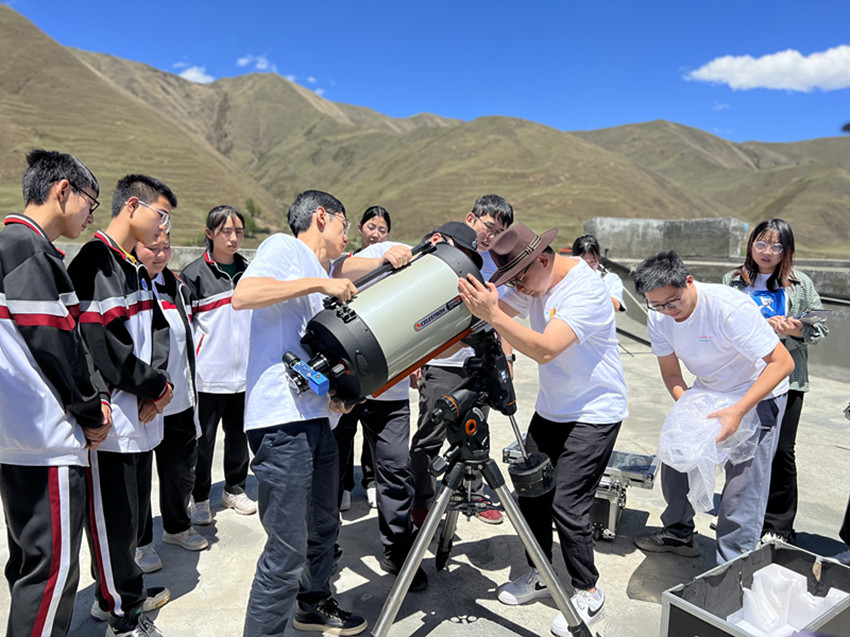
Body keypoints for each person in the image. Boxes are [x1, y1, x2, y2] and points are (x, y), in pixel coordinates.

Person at [457, 223, 627, 632]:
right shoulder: (534, 280)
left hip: (594, 411)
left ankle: (588, 592)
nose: (519, 288)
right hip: (554, 408)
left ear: (544, 260)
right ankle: (540, 573)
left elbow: (547, 349)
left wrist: (492, 313)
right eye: (512, 281)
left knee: (567, 504)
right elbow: (501, 312)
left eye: (520, 279)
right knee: (531, 493)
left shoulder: (586, 290)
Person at [232, 190, 381, 636]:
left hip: (317, 420)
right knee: (286, 550)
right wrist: (319, 285)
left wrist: (338, 396)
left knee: (324, 528)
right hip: (281, 422)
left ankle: (313, 603)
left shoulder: (319, 273)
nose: (346, 235)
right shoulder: (284, 248)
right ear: (321, 217)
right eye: (344, 225)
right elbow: (244, 294)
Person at [0, 149, 112, 637]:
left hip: (15, 436)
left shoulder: (11, 245)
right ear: (62, 191)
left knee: (29, 565)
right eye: (91, 202)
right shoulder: (31, 250)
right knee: (51, 573)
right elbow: (58, 345)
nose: (91, 216)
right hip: (45, 439)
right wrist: (92, 411)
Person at [631, 251, 794, 565]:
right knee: (677, 459)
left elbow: (782, 363)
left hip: (757, 391)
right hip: (707, 390)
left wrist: (739, 410)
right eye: (657, 305)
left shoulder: (728, 308)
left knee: (742, 486)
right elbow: (671, 373)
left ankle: (732, 566)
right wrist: (688, 408)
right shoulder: (659, 317)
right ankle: (678, 533)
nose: (667, 310)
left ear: (689, 282)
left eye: (673, 301)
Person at [69, 174, 176, 637]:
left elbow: (158, 331)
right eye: (161, 215)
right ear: (133, 206)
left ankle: (120, 591)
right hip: (112, 417)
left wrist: (160, 386)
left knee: (130, 517)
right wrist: (152, 387)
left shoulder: (131, 265)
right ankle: (122, 614)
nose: (164, 226)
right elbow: (103, 347)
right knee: (113, 520)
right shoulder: (95, 262)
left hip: (141, 410)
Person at [409, 194, 514, 527]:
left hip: (480, 366)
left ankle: (475, 495)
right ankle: (422, 501)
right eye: (489, 227)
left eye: (499, 232)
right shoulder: (438, 253)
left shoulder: (498, 267)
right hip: (443, 364)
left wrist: (507, 358)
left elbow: (501, 317)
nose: (491, 237)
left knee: (475, 435)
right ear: (471, 218)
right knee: (430, 437)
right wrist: (415, 359)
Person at [722, 219, 827, 544]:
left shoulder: (800, 283)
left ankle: (778, 525)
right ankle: (740, 517)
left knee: (781, 451)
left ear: (787, 251)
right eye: (761, 243)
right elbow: (721, 322)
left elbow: (820, 329)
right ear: (750, 245)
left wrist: (795, 329)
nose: (767, 251)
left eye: (776, 245)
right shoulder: (733, 281)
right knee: (741, 449)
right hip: (742, 376)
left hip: (788, 378)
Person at [135, 234, 208, 572]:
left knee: (179, 471)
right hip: (144, 402)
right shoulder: (128, 285)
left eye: (166, 248)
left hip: (177, 399)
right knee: (138, 479)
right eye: (153, 248)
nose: (161, 254)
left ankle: (177, 527)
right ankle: (140, 543)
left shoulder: (176, 286)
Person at [181, 206, 256, 524]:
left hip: (244, 375)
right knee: (203, 442)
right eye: (226, 231)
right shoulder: (194, 274)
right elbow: (185, 329)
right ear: (210, 233)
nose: (234, 238)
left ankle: (234, 489)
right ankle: (199, 497)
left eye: (239, 231)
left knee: (239, 437)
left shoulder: (250, 272)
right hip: (208, 377)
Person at [334, 205, 393, 511]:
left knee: (374, 426)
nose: (376, 234)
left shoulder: (394, 264)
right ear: (359, 228)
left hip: (380, 351)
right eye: (371, 227)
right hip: (351, 349)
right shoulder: (348, 262)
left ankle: (370, 480)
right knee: (344, 426)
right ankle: (343, 484)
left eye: (382, 230)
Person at [571, 234, 627, 312]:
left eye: (593, 261)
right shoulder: (566, 279)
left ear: (598, 259)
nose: (588, 266)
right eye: (583, 262)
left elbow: (615, 306)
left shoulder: (610, 279)